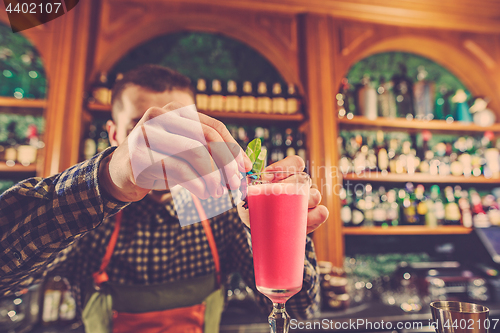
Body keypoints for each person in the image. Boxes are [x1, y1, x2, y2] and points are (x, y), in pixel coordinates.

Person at [0, 65, 328, 332]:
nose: (163, 145)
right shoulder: (87, 219)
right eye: (144, 128)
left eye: (177, 129)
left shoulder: (222, 214)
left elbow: (299, 313)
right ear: (115, 135)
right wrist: (108, 180)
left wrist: (271, 227)